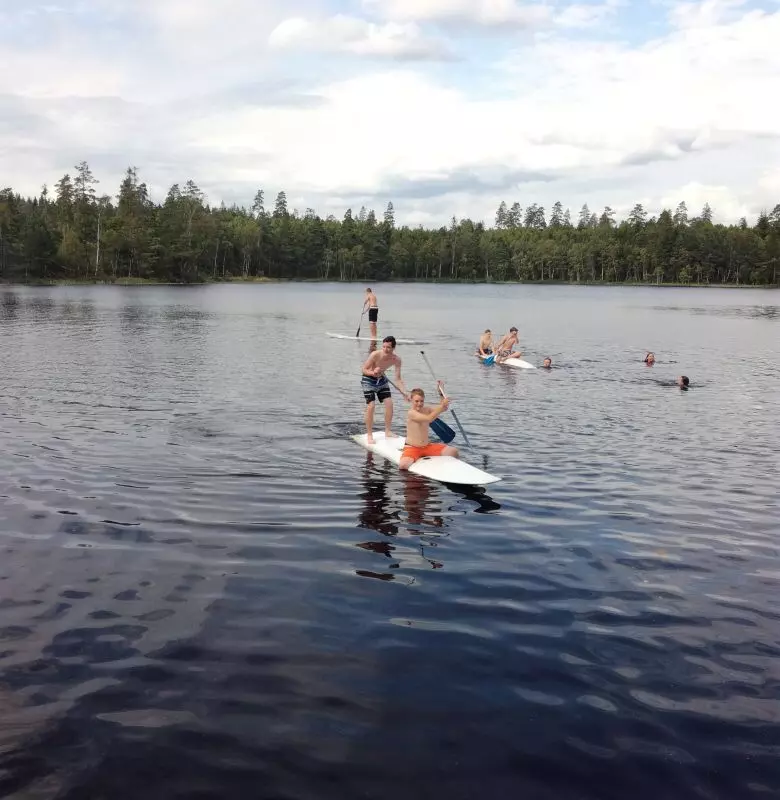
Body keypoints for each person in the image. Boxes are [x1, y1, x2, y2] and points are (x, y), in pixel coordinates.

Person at [361, 335, 408, 444]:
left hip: (381, 379)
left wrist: (404, 392)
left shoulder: (396, 360)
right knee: (371, 405)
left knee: (389, 403)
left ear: (393, 348)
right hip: (368, 379)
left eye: (388, 347)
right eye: (384, 347)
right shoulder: (375, 354)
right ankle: (369, 435)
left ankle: (388, 431)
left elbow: (398, 379)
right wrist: (373, 373)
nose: (386, 349)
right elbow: (363, 369)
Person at [399, 387, 459, 471]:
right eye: (416, 401)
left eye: (421, 401)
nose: (419, 403)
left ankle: (449, 471)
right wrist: (442, 406)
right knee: (403, 465)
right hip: (413, 448)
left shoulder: (427, 409)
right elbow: (429, 418)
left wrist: (441, 393)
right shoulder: (411, 413)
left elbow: (443, 408)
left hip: (427, 446)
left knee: (453, 451)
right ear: (411, 400)